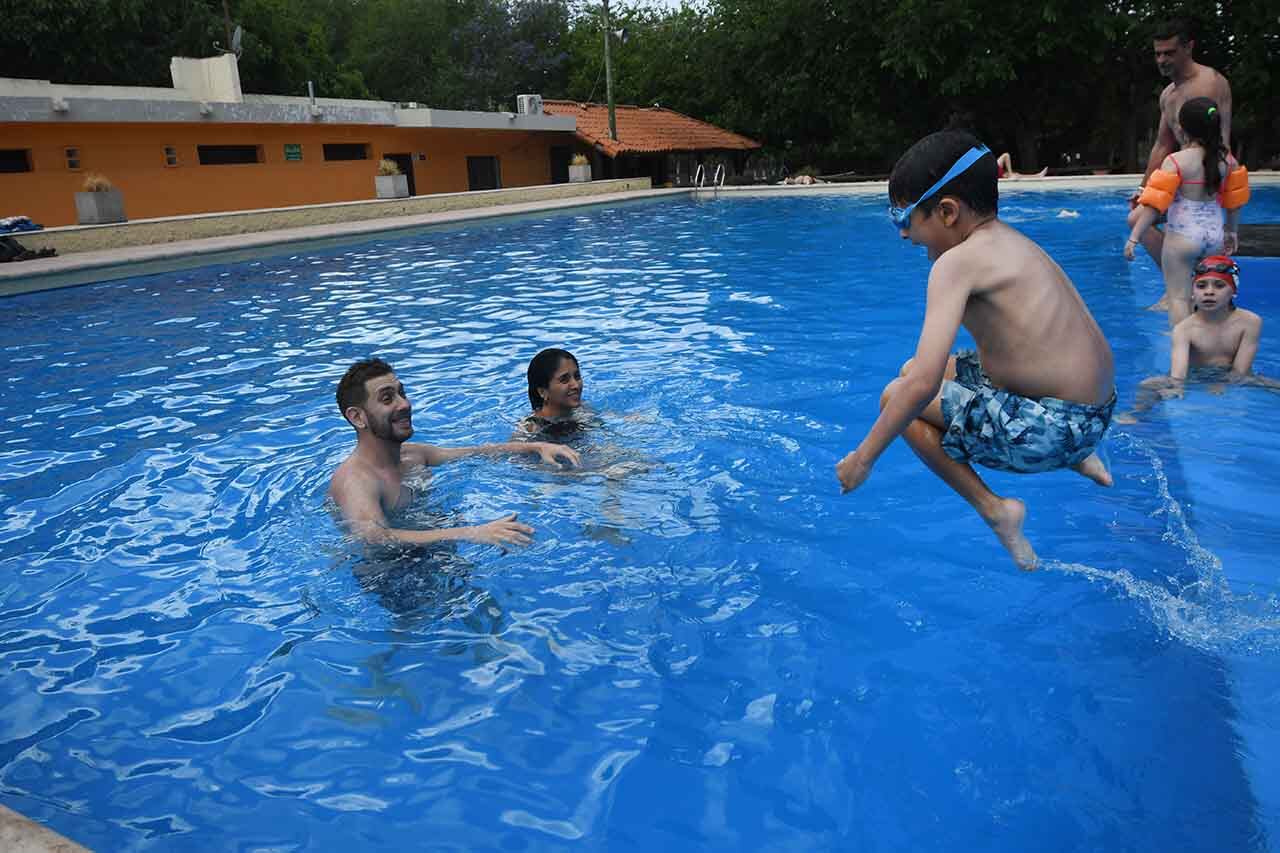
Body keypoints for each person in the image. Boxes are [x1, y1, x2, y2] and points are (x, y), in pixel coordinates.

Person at [835, 131, 1116, 571]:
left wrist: (862, 459)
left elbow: (920, 386)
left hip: (1051, 428)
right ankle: (1082, 459)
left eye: (905, 219)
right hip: (1092, 413)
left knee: (899, 396)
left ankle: (996, 511)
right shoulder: (1013, 244)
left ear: (947, 211)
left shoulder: (956, 264)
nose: (904, 234)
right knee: (916, 370)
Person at [329, 358, 580, 547]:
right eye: (387, 399)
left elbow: (476, 452)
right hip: (391, 575)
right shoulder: (356, 480)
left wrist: (537, 446)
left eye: (401, 393)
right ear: (357, 417)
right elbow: (376, 537)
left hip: (434, 547)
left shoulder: (414, 455)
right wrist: (474, 533)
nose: (404, 404)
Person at [1125, 97, 1249, 326]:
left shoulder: (1176, 161)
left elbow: (1155, 205)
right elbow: (1234, 203)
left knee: (1179, 298)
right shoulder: (1229, 161)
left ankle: (1184, 350)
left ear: (1182, 129)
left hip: (1182, 239)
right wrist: (1232, 232)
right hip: (1215, 238)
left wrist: (1134, 236)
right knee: (1210, 299)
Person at [1127, 18, 1233, 274]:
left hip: (1208, 178)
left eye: (1169, 53)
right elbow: (1162, 144)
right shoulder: (1169, 94)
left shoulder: (1208, 83)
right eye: (1158, 54)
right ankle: (1183, 278)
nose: (1162, 60)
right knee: (1137, 217)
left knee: (1139, 220)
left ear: (1189, 48)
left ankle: (1183, 280)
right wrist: (1145, 188)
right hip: (1185, 175)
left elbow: (1213, 144)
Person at [1116, 255, 1273, 422]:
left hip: (1234, 375)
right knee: (1147, 385)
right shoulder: (1184, 329)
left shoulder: (1250, 322)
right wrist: (1177, 388)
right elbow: (1178, 375)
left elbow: (1241, 371)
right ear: (1192, 292)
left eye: (1219, 285)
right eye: (1201, 285)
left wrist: (1220, 385)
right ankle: (1138, 415)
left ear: (1233, 290)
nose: (1209, 292)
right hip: (1195, 377)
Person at [521, 348, 587, 435]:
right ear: (542, 392)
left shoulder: (581, 409)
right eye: (564, 380)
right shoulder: (532, 426)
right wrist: (541, 447)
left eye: (577, 376)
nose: (576, 385)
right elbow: (501, 447)